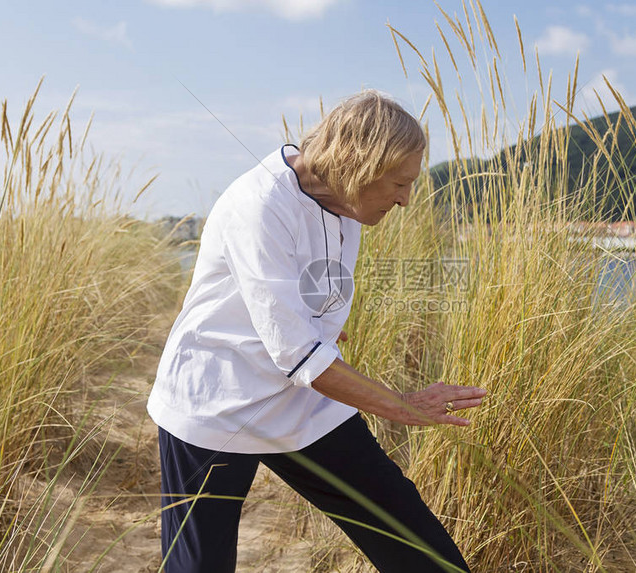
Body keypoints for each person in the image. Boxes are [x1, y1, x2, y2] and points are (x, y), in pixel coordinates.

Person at [147, 90, 486, 572]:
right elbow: (300, 354)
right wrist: (401, 405)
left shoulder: (349, 203)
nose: (406, 200)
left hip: (301, 401)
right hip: (216, 402)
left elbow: (303, 303)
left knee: (415, 544)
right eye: (398, 183)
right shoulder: (260, 205)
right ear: (360, 164)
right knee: (199, 567)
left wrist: (314, 325)